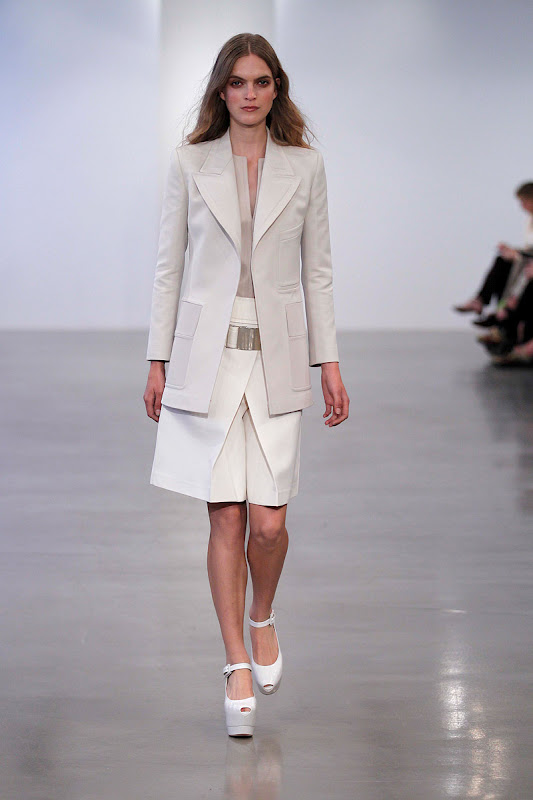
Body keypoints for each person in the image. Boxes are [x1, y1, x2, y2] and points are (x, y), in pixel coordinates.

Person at [143, 33, 349, 737]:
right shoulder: (190, 162)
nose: (249, 94)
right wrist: (156, 358)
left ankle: (262, 614)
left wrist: (329, 361)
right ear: (221, 91)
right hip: (206, 354)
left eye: (261, 82)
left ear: (276, 88)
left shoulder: (306, 166)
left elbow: (318, 271)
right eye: (237, 82)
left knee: (270, 523)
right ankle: (235, 661)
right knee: (225, 516)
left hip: (277, 354)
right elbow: (168, 267)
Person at [453, 182, 533, 318]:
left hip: (528, 262)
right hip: (526, 259)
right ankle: (486, 302)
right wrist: (513, 251)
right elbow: (528, 248)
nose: (522, 206)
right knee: (502, 260)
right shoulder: (529, 221)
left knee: (511, 265)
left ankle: (502, 310)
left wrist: (516, 253)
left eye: (524, 201)